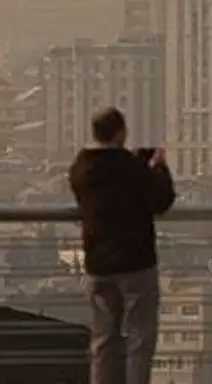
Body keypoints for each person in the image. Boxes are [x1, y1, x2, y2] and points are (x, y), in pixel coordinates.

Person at [70, 107, 176, 384]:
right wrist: (159, 168)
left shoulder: (81, 168)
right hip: (136, 264)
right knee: (140, 338)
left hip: (98, 265)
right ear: (121, 132)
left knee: (104, 340)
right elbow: (161, 200)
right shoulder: (131, 168)